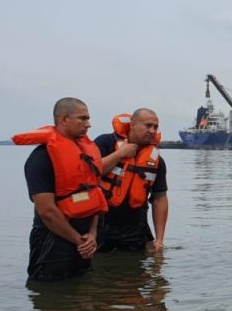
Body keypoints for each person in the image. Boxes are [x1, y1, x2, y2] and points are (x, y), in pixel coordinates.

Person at [14, 97, 107, 281]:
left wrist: (92, 234)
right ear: (64, 119)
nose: (88, 124)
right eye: (82, 118)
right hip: (52, 243)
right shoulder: (40, 159)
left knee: (83, 294)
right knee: (52, 296)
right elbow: (46, 211)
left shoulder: (87, 155)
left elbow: (94, 195)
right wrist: (77, 240)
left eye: (88, 119)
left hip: (85, 240)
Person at [94, 109, 169, 252]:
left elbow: (160, 198)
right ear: (133, 124)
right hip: (101, 224)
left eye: (155, 127)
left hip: (135, 228)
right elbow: (90, 172)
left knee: (136, 272)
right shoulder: (106, 142)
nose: (152, 130)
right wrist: (119, 154)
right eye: (148, 125)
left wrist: (159, 240)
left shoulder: (157, 161)